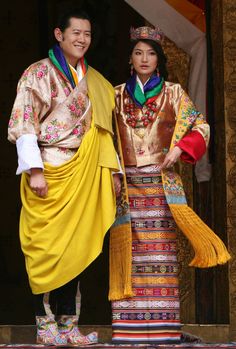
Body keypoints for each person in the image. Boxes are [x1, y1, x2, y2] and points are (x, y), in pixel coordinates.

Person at [109, 26, 230, 345]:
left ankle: (163, 328)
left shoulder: (174, 93)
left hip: (161, 185)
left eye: (150, 53)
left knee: (160, 253)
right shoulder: (116, 94)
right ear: (130, 58)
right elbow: (104, 137)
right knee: (131, 256)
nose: (144, 58)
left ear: (159, 60)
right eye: (138, 53)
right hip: (127, 186)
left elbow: (201, 127)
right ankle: (129, 330)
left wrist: (179, 149)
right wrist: (112, 171)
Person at [8, 9, 121, 346]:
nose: (81, 39)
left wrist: (111, 171)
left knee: (75, 249)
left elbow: (104, 133)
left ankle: (69, 325)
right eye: (76, 33)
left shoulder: (96, 82)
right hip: (50, 165)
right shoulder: (38, 73)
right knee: (45, 249)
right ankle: (44, 326)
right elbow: (25, 122)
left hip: (84, 171)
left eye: (87, 34)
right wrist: (36, 170)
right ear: (59, 34)